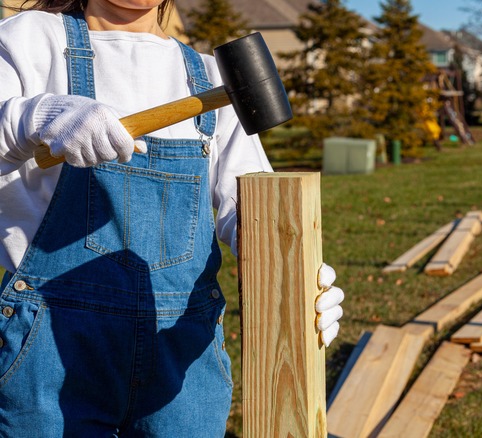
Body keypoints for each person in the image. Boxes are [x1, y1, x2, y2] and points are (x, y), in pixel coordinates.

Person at [0, 0, 344, 436]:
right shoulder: (30, 38)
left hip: (182, 354)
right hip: (50, 348)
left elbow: (251, 207)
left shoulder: (207, 75)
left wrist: (296, 282)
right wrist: (32, 117)